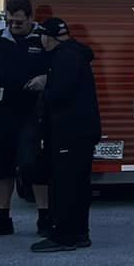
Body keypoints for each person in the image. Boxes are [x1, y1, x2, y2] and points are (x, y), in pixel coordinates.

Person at [0, 0, 47, 239]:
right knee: (1, 164)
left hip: (32, 111)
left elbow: (61, 66)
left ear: (30, 18)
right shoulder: (0, 39)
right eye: (10, 21)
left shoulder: (42, 39)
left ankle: (45, 216)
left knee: (33, 164)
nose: (14, 26)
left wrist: (45, 78)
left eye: (19, 22)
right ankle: (3, 217)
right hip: (2, 110)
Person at [31, 16, 99, 253]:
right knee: (79, 184)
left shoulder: (63, 58)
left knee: (64, 184)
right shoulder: (77, 53)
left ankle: (63, 235)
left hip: (68, 131)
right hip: (84, 130)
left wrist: (45, 87)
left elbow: (60, 94)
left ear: (47, 37)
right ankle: (80, 232)